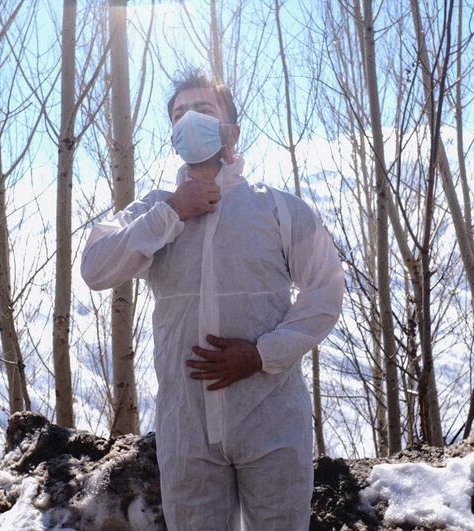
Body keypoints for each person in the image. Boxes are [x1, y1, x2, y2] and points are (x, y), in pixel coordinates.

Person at [81, 68, 344, 530]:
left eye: (204, 110)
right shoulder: (153, 210)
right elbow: (96, 267)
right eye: (180, 114)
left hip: (273, 422)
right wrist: (172, 212)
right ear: (172, 137)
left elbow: (326, 291)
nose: (190, 121)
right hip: (187, 431)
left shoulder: (279, 209)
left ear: (231, 131)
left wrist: (261, 355)